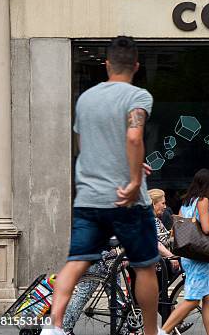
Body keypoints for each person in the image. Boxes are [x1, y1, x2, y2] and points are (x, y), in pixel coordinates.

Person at [43, 36, 165, 335]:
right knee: (145, 266)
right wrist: (135, 179)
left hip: (88, 198)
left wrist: (132, 162)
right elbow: (134, 137)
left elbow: (86, 145)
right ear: (136, 66)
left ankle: (54, 326)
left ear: (107, 64)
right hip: (128, 201)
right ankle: (151, 331)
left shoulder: (85, 99)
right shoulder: (138, 96)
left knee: (76, 262)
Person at [161, 169, 209, 335]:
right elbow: (207, 229)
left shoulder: (187, 201)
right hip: (197, 258)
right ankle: (162, 332)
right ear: (205, 185)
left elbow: (178, 225)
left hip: (189, 254)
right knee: (192, 300)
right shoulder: (202, 201)